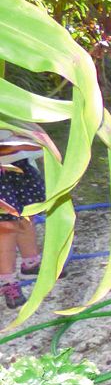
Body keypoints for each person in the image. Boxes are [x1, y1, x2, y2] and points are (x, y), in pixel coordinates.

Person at [0, 128, 46, 310]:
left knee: (27, 215)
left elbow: (24, 115)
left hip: (16, 161)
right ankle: (7, 281)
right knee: (5, 227)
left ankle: (31, 264)